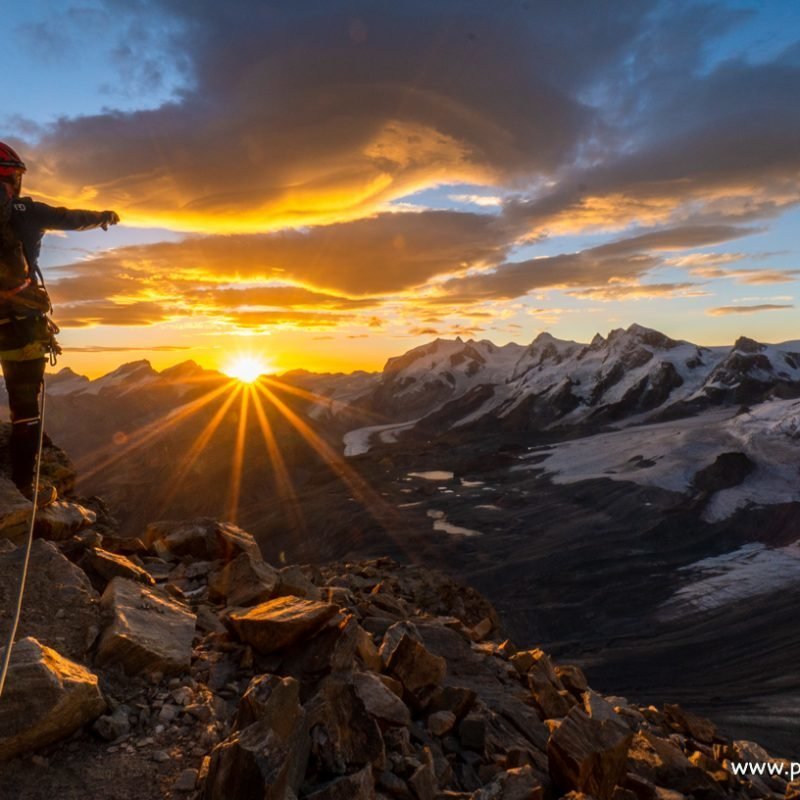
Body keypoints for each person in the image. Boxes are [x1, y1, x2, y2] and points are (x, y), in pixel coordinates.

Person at [0, 141, 119, 505]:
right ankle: (23, 488)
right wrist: (104, 216)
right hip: (21, 322)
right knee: (25, 407)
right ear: (14, 177)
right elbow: (71, 218)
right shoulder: (27, 211)